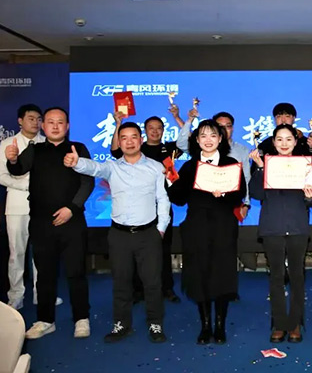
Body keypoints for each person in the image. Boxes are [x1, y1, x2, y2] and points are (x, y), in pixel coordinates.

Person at [66, 121, 170, 343]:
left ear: (141, 140)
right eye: (124, 138)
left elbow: (162, 199)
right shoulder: (112, 167)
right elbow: (94, 168)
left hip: (148, 234)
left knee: (152, 283)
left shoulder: (156, 167)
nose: (129, 142)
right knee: (121, 281)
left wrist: (161, 228)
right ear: (119, 142)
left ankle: (155, 323)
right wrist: (77, 163)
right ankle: (121, 324)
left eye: (134, 137)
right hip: (119, 235)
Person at [6, 107, 94, 340]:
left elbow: (87, 182)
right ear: (43, 126)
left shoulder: (78, 148)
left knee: (76, 272)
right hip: (41, 223)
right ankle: (45, 320)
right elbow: (18, 169)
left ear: (67, 126)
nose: (55, 126)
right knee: (44, 274)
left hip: (72, 222)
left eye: (60, 122)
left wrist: (71, 209)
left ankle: (81, 318)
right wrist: (12, 159)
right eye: (51, 122)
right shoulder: (35, 149)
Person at [167, 119, 246, 345]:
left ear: (220, 139)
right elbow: (179, 199)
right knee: (199, 273)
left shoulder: (231, 163)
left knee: (222, 274)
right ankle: (205, 325)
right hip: (197, 227)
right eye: (203, 135)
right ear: (197, 140)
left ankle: (220, 325)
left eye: (213, 135)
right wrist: (169, 180)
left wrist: (225, 194)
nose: (208, 140)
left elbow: (240, 194)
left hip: (223, 226)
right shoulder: (190, 166)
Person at [249, 124, 312, 343]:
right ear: (273, 142)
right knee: (276, 277)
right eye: (279, 139)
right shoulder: (265, 165)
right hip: (272, 228)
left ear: (295, 142)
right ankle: (279, 324)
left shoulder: (305, 165)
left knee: (297, 277)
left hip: (298, 227)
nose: (284, 143)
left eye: (288, 139)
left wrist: (309, 195)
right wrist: (260, 168)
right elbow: (256, 194)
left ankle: (295, 323)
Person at [111, 113, 182, 303]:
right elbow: (115, 151)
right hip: (139, 209)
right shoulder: (136, 149)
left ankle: (167, 288)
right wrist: (118, 124)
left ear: (163, 130)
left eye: (159, 128)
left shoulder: (170, 150)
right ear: (144, 132)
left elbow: (187, 141)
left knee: (163, 248)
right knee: (136, 252)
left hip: (162, 206)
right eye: (151, 128)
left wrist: (180, 118)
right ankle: (138, 290)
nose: (155, 131)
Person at [0, 104, 63, 309]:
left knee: (43, 253)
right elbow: (2, 175)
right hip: (17, 205)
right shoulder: (7, 144)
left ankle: (41, 293)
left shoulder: (47, 144)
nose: (35, 122)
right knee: (16, 253)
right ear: (20, 121)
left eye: (38, 119)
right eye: (31, 118)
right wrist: (28, 185)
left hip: (43, 207)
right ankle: (16, 295)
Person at [256, 102, 312, 174]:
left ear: (294, 118)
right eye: (279, 116)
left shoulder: (306, 143)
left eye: (287, 116)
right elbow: (255, 172)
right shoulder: (265, 145)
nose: (283, 120)